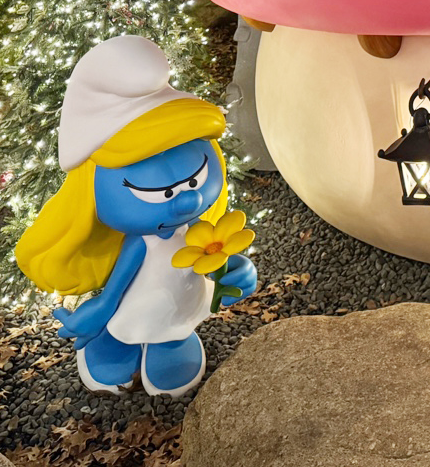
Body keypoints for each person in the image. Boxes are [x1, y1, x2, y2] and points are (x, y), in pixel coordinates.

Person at [16, 36, 257, 397]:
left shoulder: (202, 230)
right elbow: (117, 287)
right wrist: (101, 309)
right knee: (124, 322)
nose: (188, 201)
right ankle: (114, 342)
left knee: (177, 323)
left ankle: (172, 342)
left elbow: (218, 261)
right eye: (159, 192)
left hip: (182, 299)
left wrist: (238, 271)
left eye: (195, 181)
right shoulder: (140, 243)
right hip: (138, 303)